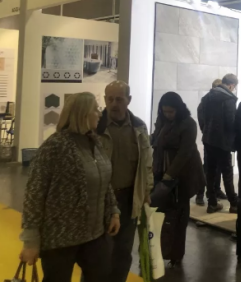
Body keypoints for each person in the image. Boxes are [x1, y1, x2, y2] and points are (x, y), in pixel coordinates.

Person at [20, 93, 120, 282]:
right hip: (61, 238)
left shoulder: (95, 142)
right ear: (82, 113)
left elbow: (104, 181)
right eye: (95, 109)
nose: (100, 113)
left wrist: (113, 211)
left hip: (95, 234)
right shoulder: (54, 146)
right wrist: (30, 241)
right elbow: (34, 194)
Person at [98, 81, 153, 282]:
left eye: (119, 99)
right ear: (105, 99)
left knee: (123, 251)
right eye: (110, 99)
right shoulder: (95, 126)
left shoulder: (139, 127)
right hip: (101, 200)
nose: (114, 104)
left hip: (129, 199)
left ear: (128, 100)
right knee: (98, 253)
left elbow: (147, 163)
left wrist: (146, 191)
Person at [151, 92, 205, 266]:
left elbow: (184, 153)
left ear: (179, 109)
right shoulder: (162, 121)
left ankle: (176, 254)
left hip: (183, 175)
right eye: (165, 111)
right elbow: (155, 139)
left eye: (171, 112)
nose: (168, 114)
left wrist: (169, 176)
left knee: (179, 215)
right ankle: (160, 250)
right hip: (162, 171)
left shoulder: (189, 124)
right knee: (161, 213)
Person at [198, 74, 239, 214]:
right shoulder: (228, 99)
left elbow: (202, 117)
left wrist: (205, 131)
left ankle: (212, 203)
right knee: (227, 172)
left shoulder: (207, 97)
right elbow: (231, 122)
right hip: (223, 141)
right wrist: (234, 139)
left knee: (210, 172)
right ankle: (234, 204)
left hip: (208, 139)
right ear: (231, 85)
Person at [196, 78, 227, 206]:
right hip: (210, 139)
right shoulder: (206, 102)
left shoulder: (220, 102)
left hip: (218, 140)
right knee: (208, 167)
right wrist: (207, 132)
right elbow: (202, 120)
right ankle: (200, 193)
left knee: (217, 166)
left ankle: (216, 189)